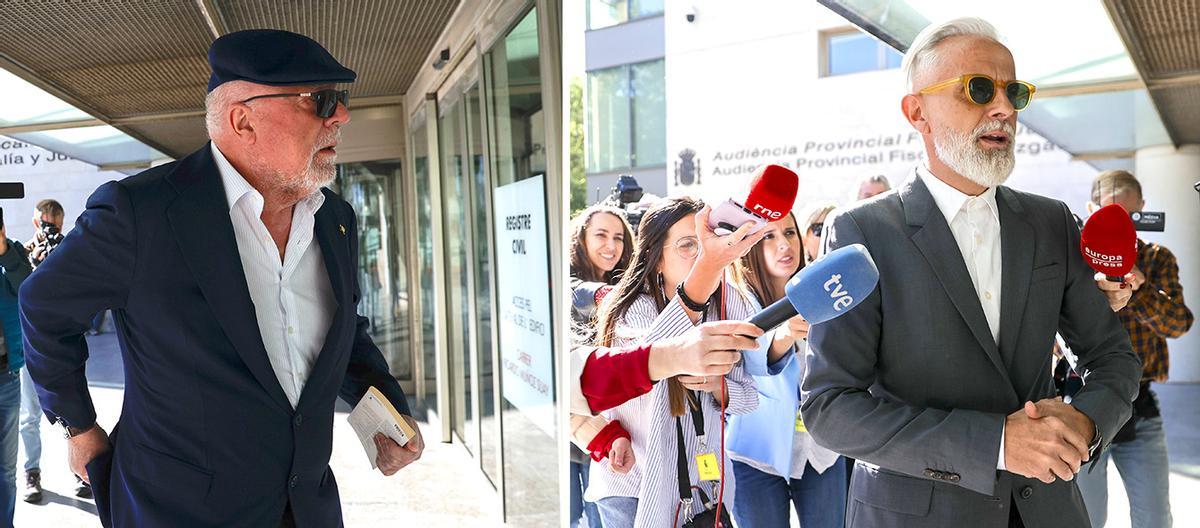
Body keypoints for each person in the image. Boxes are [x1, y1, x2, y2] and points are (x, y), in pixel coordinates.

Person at [19, 29, 423, 527]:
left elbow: (343, 335)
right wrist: (79, 425)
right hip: (178, 510)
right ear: (242, 120)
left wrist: (388, 411)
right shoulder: (141, 213)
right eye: (321, 101)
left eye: (341, 101)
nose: (341, 116)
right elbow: (43, 306)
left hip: (307, 511)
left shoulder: (334, 217)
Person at [800, 17, 1141, 528]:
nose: (1002, 108)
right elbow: (830, 406)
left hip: (1049, 510)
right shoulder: (862, 230)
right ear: (917, 112)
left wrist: (1085, 422)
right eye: (977, 89)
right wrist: (995, 445)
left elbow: (1111, 356)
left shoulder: (1051, 221)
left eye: (1014, 92)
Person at [585, 196, 768, 528]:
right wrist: (703, 279)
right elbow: (650, 361)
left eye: (707, 244)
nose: (701, 256)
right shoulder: (630, 309)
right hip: (632, 484)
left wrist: (718, 387)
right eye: (687, 246)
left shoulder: (727, 305)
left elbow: (750, 396)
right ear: (657, 259)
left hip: (704, 488)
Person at [1075, 170, 1193, 528]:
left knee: (1155, 517)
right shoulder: (1073, 259)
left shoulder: (1157, 258)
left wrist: (1140, 287)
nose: (1117, 224)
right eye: (1107, 215)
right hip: (1082, 407)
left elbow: (1179, 323)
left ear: (1142, 209)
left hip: (1139, 406)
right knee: (1085, 517)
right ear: (1090, 209)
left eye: (1127, 217)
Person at [726, 211, 847, 528]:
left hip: (821, 450)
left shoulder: (824, 289)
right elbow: (749, 365)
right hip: (756, 454)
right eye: (769, 237)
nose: (784, 245)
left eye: (790, 233)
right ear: (750, 245)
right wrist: (784, 335)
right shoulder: (733, 299)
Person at [568, 204, 635, 528]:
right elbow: (577, 293)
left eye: (618, 237)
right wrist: (607, 294)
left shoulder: (629, 290)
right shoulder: (571, 284)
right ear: (581, 238)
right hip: (577, 431)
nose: (611, 245)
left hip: (612, 432)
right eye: (601, 235)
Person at [18, 199, 84, 502]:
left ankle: (81, 471)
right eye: (45, 223)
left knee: (72, 412)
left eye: (54, 224)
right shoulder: (18, 253)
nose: (49, 228)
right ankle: (32, 473)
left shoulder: (70, 250)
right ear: (36, 222)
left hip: (65, 348)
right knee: (30, 416)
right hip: (29, 349)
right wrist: (34, 263)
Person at [0, 208, 32, 527]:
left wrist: (4, 251)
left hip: (6, 378)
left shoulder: (14, 254)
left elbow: (29, 291)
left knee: (6, 470)